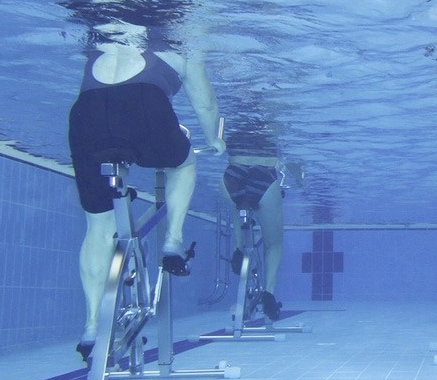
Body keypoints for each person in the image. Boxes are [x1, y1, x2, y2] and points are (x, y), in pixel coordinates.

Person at [68, 20, 225, 361]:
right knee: (183, 164)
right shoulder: (182, 36)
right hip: (144, 104)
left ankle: (92, 326)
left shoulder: (104, 34)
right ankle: (173, 241)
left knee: (97, 226)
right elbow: (206, 104)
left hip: (87, 113)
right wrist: (215, 140)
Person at [220, 128, 288, 321]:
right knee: (274, 243)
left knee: (239, 204)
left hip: (232, 175)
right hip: (264, 174)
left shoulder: (235, 119)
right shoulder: (271, 121)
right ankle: (269, 295)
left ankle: (238, 248)